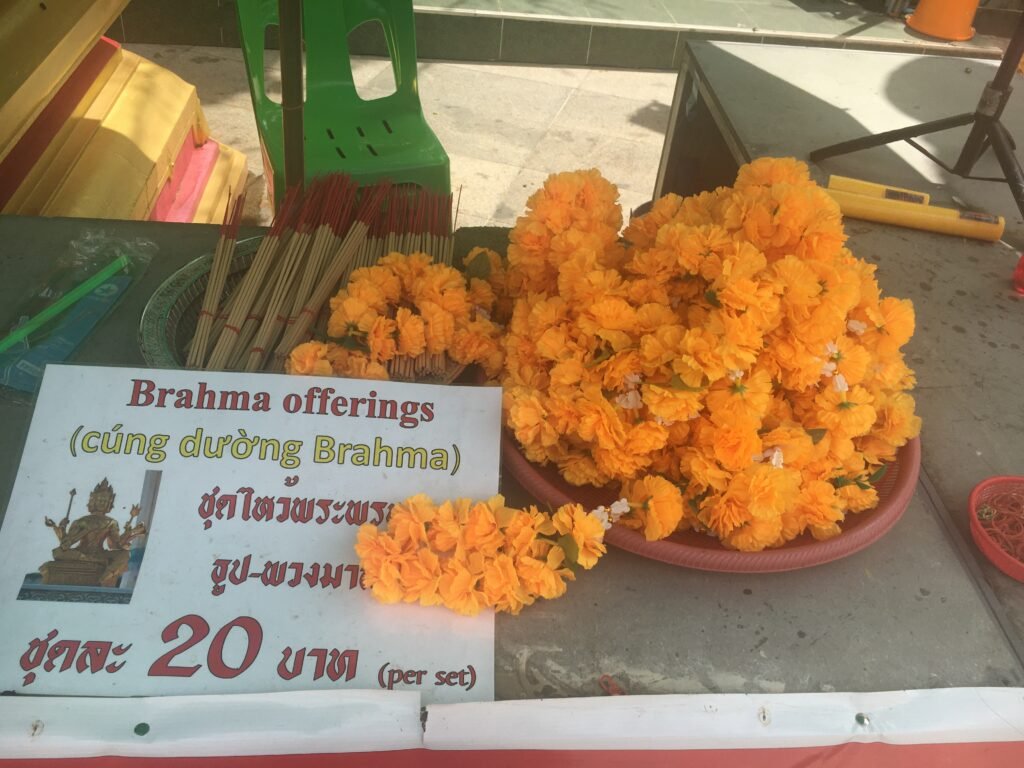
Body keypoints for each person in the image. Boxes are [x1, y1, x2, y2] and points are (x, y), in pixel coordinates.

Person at [42, 478, 146, 588]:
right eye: (100, 500)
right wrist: (60, 528)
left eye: (105, 501)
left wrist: (130, 533)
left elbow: (113, 545)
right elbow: (66, 544)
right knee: (58, 552)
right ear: (93, 501)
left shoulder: (111, 522)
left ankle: (104, 578)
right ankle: (93, 561)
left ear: (109, 504)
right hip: (80, 553)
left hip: (100, 553)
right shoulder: (82, 521)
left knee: (125, 555)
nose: (102, 503)